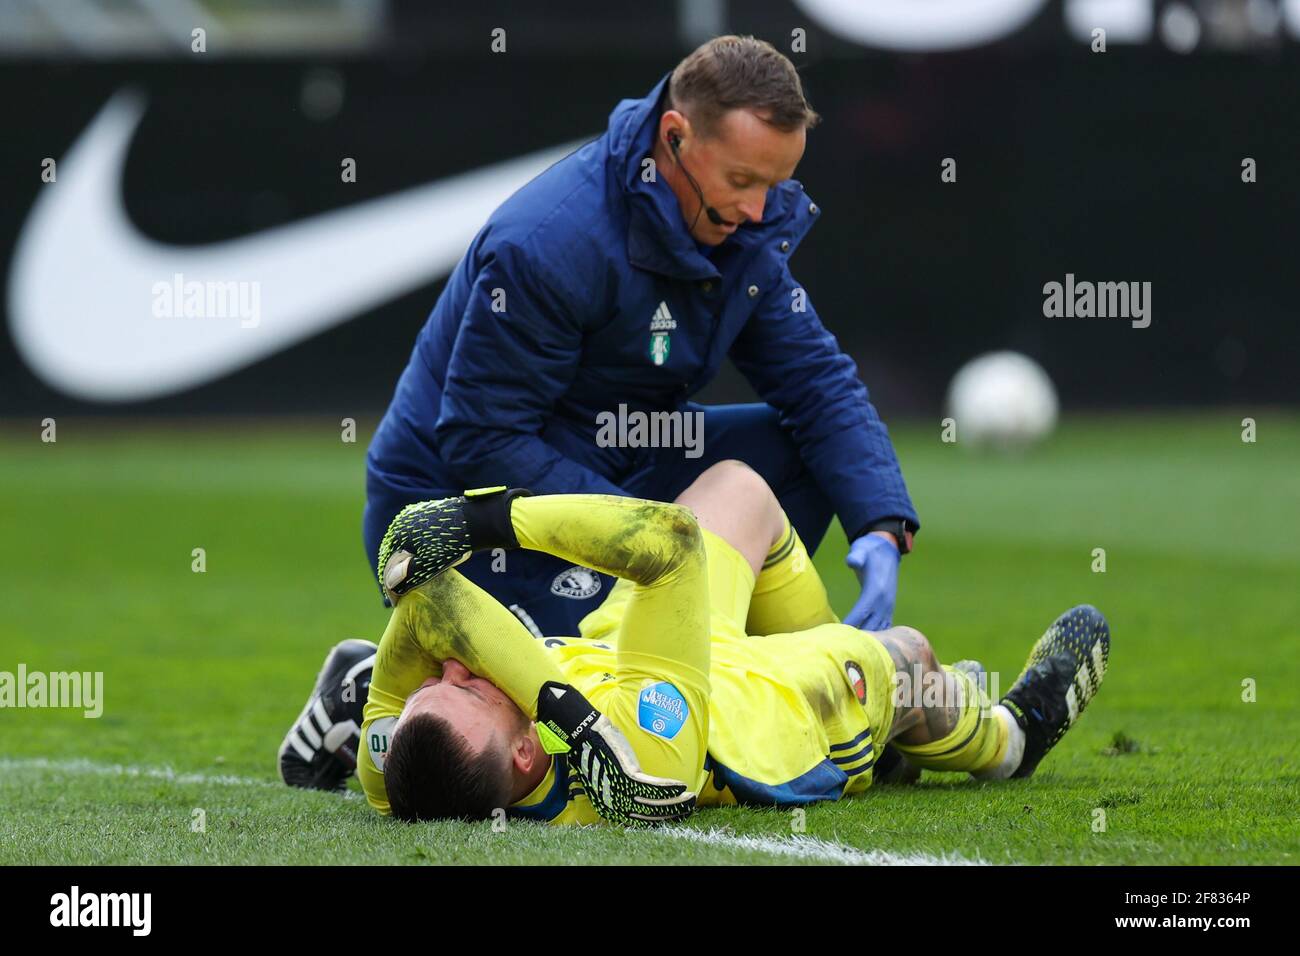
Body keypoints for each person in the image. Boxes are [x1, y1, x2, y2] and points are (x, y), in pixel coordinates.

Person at [337, 461, 1109, 824]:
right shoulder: (636, 763)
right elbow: (668, 542)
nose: (455, 666)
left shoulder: (397, 773)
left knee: (740, 489)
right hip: (765, 719)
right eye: (470, 688)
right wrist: (488, 521)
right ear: (527, 758)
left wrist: (558, 704)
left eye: (437, 685)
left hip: (623, 652)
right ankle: (1007, 737)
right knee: (908, 658)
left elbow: (427, 602)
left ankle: (893, 737)